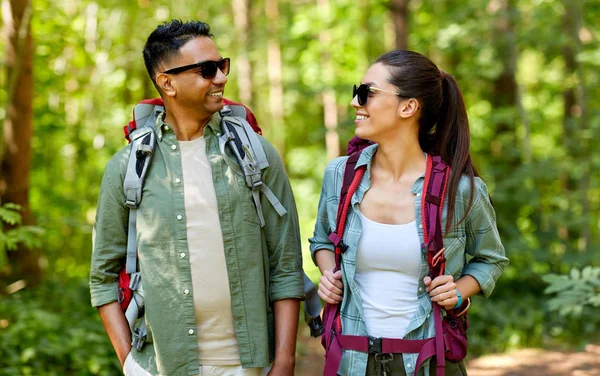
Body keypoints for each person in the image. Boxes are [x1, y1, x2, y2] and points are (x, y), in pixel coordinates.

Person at [90, 19, 304, 376]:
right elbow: (102, 276)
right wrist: (129, 362)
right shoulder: (128, 166)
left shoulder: (256, 156)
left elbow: (286, 265)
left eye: (222, 66)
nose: (220, 77)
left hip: (249, 366)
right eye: (207, 70)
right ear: (167, 82)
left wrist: (284, 362)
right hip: (162, 367)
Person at [310, 50, 508, 376]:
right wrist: (329, 274)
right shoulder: (340, 176)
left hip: (428, 361)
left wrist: (459, 290)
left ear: (408, 106)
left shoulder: (458, 191)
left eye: (367, 93)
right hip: (353, 361)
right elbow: (321, 240)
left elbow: (491, 259)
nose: (354, 103)